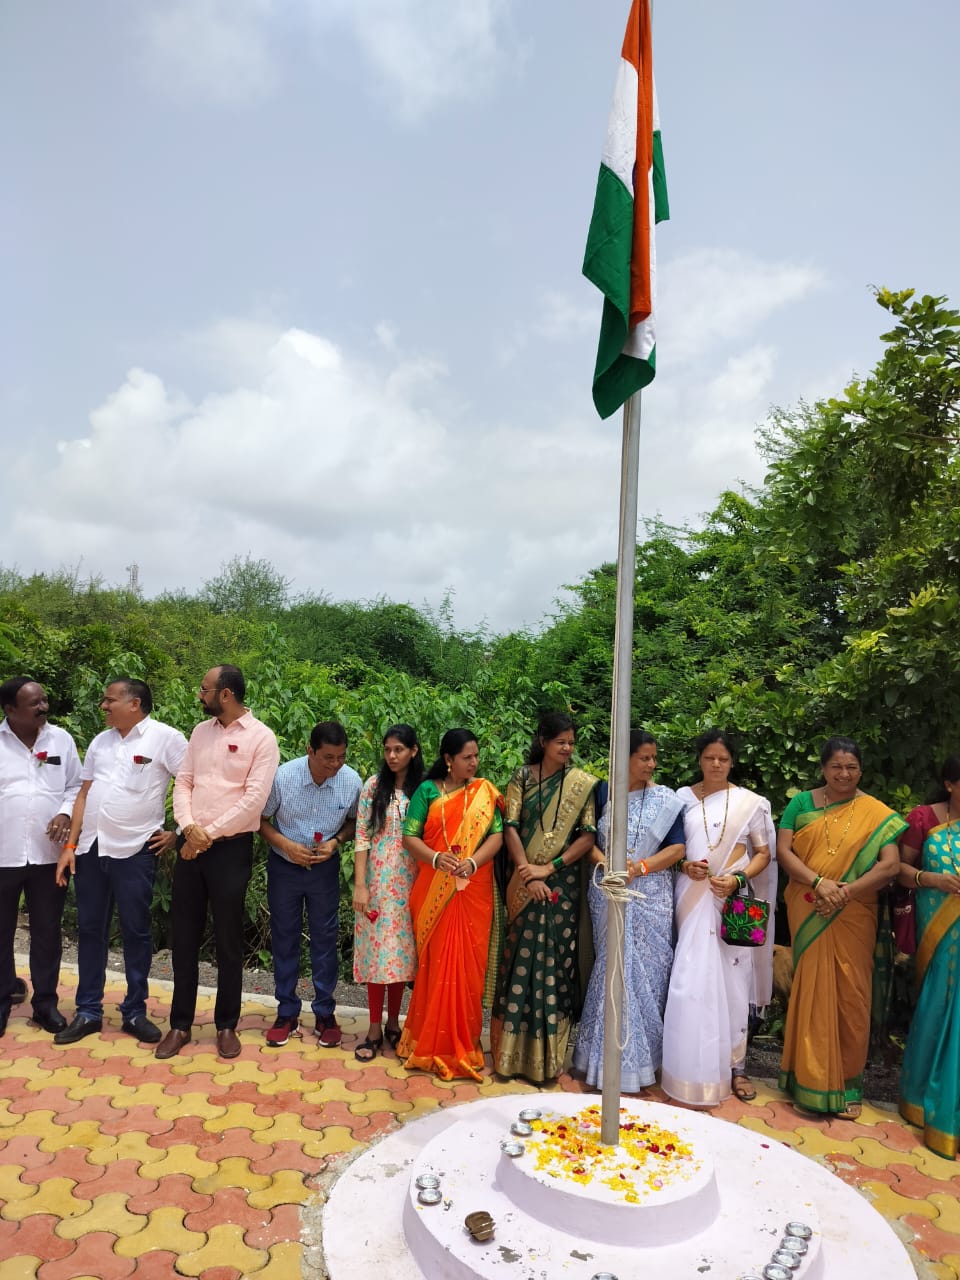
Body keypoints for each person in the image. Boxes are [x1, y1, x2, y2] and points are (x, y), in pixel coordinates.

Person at [777, 735, 905, 1120]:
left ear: (861, 770)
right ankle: (808, 1080)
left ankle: (849, 1085)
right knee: (811, 990)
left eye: (851, 767)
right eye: (836, 766)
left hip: (854, 910)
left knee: (852, 996)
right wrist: (819, 883)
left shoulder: (876, 813)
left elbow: (890, 865)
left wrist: (844, 892)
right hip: (808, 904)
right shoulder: (801, 804)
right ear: (823, 769)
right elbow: (783, 851)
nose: (843, 773)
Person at [156, 665, 279, 1060]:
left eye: (204, 689)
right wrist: (188, 827)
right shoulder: (200, 732)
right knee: (184, 937)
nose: (200, 695)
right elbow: (184, 782)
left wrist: (205, 835)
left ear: (226, 694)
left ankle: (227, 1025)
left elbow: (254, 800)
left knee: (228, 940)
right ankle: (180, 1024)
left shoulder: (262, 738)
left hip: (230, 850)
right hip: (191, 845)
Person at [54, 678, 187, 1044]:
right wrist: (70, 845)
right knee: (90, 929)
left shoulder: (166, 738)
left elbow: (191, 783)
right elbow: (84, 793)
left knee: (136, 931)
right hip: (91, 849)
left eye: (109, 700)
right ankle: (88, 1011)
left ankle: (134, 1011)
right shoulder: (101, 741)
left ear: (134, 703)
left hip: (136, 850)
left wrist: (178, 832)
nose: (103, 706)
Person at [661, 729, 776, 1106]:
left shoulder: (749, 803)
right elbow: (670, 848)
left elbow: (763, 853)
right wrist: (684, 865)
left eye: (723, 759)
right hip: (690, 898)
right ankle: (682, 1067)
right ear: (699, 759)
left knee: (732, 985)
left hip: (730, 901)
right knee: (689, 981)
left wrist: (738, 879)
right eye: (709, 757)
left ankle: (735, 1068)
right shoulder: (680, 799)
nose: (715, 764)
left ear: (731, 763)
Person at [572, 729, 684, 1092]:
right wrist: (609, 865)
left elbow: (678, 848)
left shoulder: (665, 799)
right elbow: (587, 840)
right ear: (625, 758)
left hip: (649, 895)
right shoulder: (603, 792)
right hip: (610, 890)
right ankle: (601, 1061)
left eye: (654, 758)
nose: (651, 764)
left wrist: (641, 867)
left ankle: (643, 1062)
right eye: (644, 758)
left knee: (646, 977)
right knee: (612, 969)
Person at [490, 713, 597, 1083]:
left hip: (560, 887)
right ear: (543, 741)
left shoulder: (582, 783)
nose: (567, 748)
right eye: (560, 742)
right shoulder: (522, 777)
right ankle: (509, 1057)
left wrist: (548, 868)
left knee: (554, 965)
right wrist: (527, 872)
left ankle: (548, 1061)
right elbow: (510, 828)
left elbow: (586, 837)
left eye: (571, 743)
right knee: (518, 963)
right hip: (523, 883)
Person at [398, 729, 503, 1081]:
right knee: (437, 966)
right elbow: (409, 837)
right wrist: (435, 858)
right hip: (433, 888)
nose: (474, 763)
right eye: (466, 757)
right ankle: (428, 1043)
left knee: (468, 970)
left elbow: (497, 836)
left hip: (473, 890)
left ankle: (464, 1044)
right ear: (448, 759)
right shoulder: (428, 791)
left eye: (476, 756)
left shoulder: (483, 792)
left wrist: (472, 862)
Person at [259, 721, 361, 1048]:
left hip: (324, 869)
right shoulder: (283, 778)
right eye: (328, 757)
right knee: (285, 936)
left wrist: (336, 842)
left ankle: (325, 1013)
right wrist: (286, 845)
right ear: (310, 751)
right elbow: (260, 820)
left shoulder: (351, 782)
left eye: (341, 757)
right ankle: (286, 1012)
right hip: (284, 868)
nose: (335, 765)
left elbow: (354, 822)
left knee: (325, 939)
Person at [0, 678, 82, 1037]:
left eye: (44, 700)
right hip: (3, 854)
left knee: (47, 933)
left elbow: (77, 786)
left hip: (49, 856)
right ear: (10, 710)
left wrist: (65, 812)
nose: (43, 707)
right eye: (34, 703)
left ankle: (45, 1005)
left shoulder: (61, 740)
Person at [897, 756, 960, 1157]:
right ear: (950, 784)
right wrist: (931, 878)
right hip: (938, 930)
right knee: (938, 1004)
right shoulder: (924, 819)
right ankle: (920, 1098)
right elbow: (899, 870)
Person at [352, 725, 423, 1061]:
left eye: (399, 750)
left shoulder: (423, 789)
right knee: (377, 955)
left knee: (400, 957)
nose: (392, 756)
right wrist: (361, 885)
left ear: (413, 751)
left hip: (412, 882)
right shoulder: (373, 786)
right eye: (387, 750)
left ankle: (394, 1023)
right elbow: (362, 837)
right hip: (378, 882)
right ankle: (373, 1029)